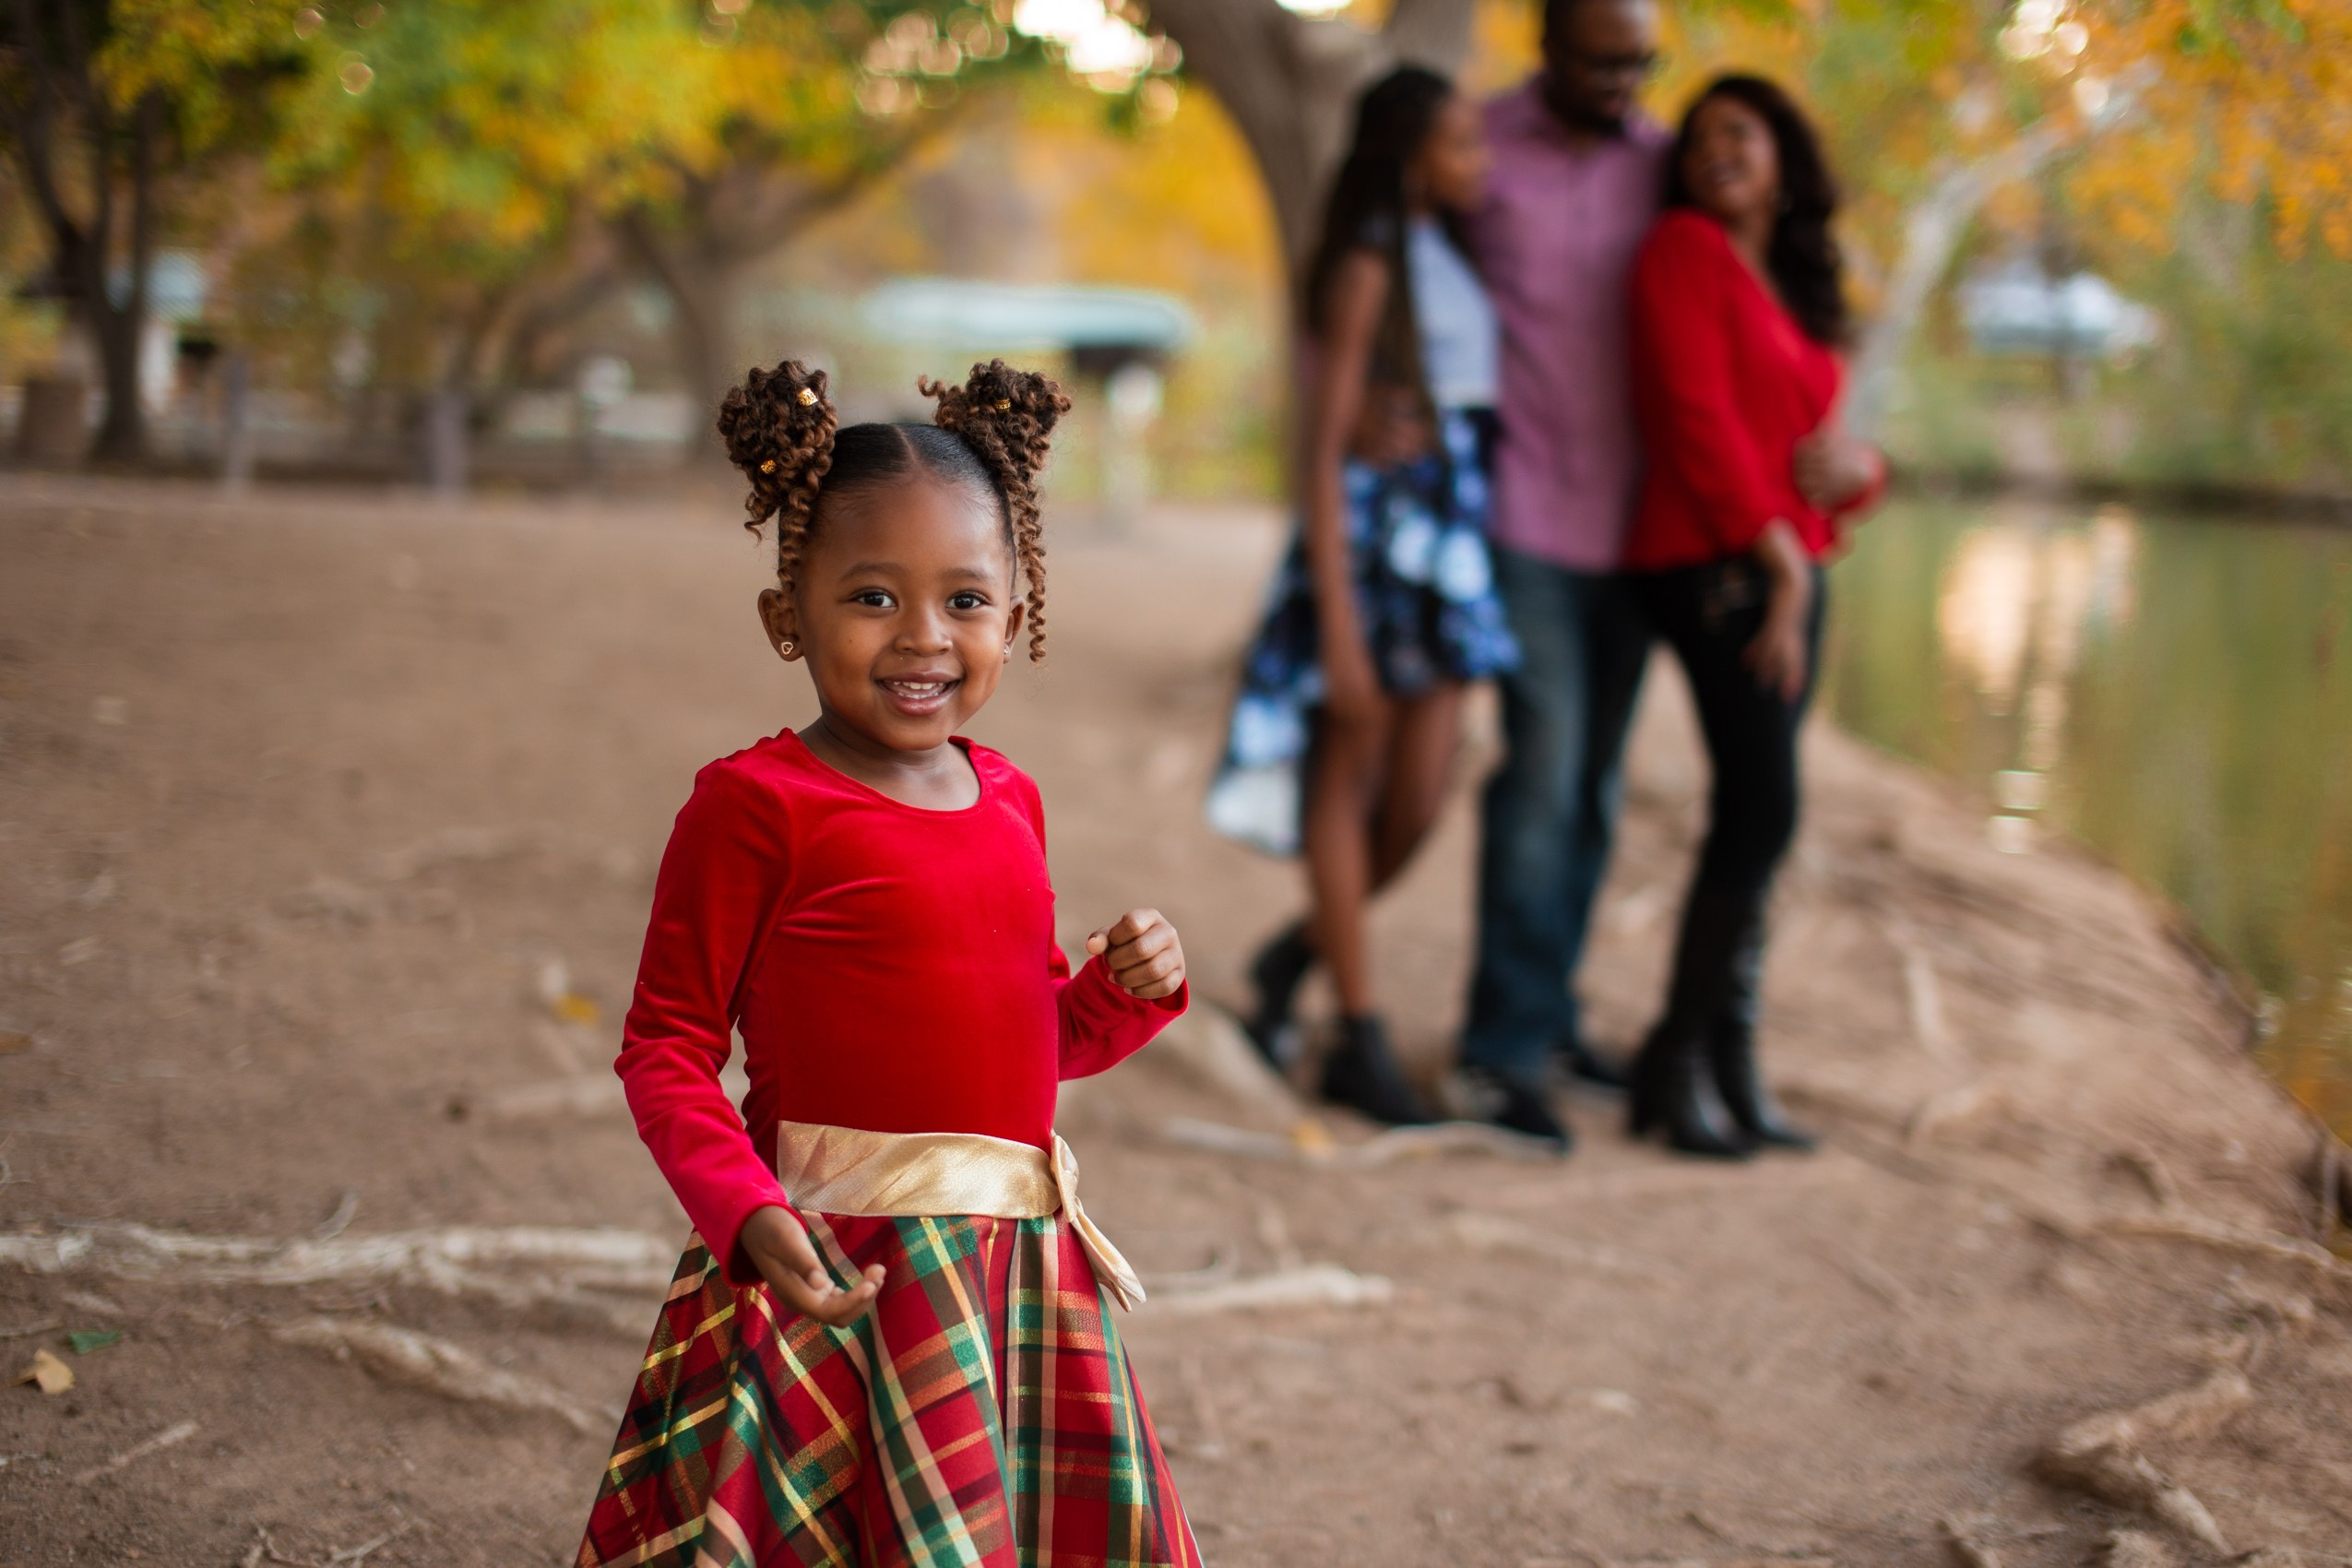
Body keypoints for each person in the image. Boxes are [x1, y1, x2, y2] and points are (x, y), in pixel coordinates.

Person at [576, 359, 1203, 1566]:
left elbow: (1030, 1045)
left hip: (1013, 1281)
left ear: (1015, 618)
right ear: (785, 619)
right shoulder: (754, 807)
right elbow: (664, 1050)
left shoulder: (1008, 798)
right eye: (871, 597)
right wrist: (744, 1213)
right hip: (832, 1271)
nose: (923, 637)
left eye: (965, 601)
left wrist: (1126, 993)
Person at [1206, 65, 1519, 1127]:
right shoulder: (1368, 267)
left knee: (1423, 795)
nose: (1480, 161)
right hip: (1376, 548)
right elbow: (1322, 450)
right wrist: (1336, 623)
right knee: (1346, 780)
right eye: (1461, 143)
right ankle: (1360, 1030)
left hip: (1450, 548)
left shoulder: (1451, 254)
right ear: (1408, 152)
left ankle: (1298, 949)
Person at [1621, 76, 1884, 1158]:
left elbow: (1820, 452)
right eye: (1697, 140)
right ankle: (1675, 1060)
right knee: (1761, 807)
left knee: (1760, 815)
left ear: (1783, 150)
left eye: (1739, 132)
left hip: (1789, 570)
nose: (1714, 152)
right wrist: (1779, 559)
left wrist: (1865, 475)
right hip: (1717, 565)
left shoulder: (1800, 284)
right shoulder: (1682, 246)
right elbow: (1694, 418)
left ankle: (1727, 1056)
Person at [1449, 0, 1670, 1147]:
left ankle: (1551, 1010)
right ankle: (1499, 1050)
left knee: (1592, 781)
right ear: (1545, 47)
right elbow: (1396, 265)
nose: (1625, 83)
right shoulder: (1480, 145)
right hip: (1523, 512)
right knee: (1541, 771)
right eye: (1602, 62)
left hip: (1639, 527)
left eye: (1642, 63)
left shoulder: (1669, 163)